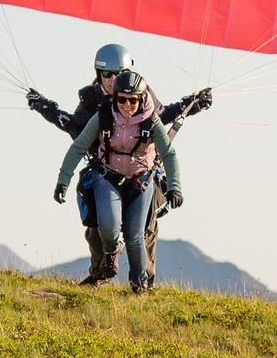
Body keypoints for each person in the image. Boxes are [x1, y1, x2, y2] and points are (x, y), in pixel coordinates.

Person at [26, 44, 212, 284]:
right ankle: (101, 272)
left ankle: (144, 283)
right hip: (106, 172)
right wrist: (46, 109)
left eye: (118, 73)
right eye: (107, 74)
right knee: (98, 227)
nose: (113, 80)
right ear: (98, 74)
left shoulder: (142, 94)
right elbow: (75, 129)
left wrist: (193, 104)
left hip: (141, 174)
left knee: (144, 230)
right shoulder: (93, 102)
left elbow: (163, 117)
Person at [51, 71, 181, 293]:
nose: (127, 105)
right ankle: (111, 253)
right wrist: (63, 180)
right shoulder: (104, 116)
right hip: (108, 178)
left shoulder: (152, 120)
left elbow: (168, 154)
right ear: (114, 98)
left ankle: (140, 287)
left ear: (141, 98)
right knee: (108, 229)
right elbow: (78, 147)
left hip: (141, 182)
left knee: (135, 236)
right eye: (121, 99)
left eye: (133, 100)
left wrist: (174, 187)